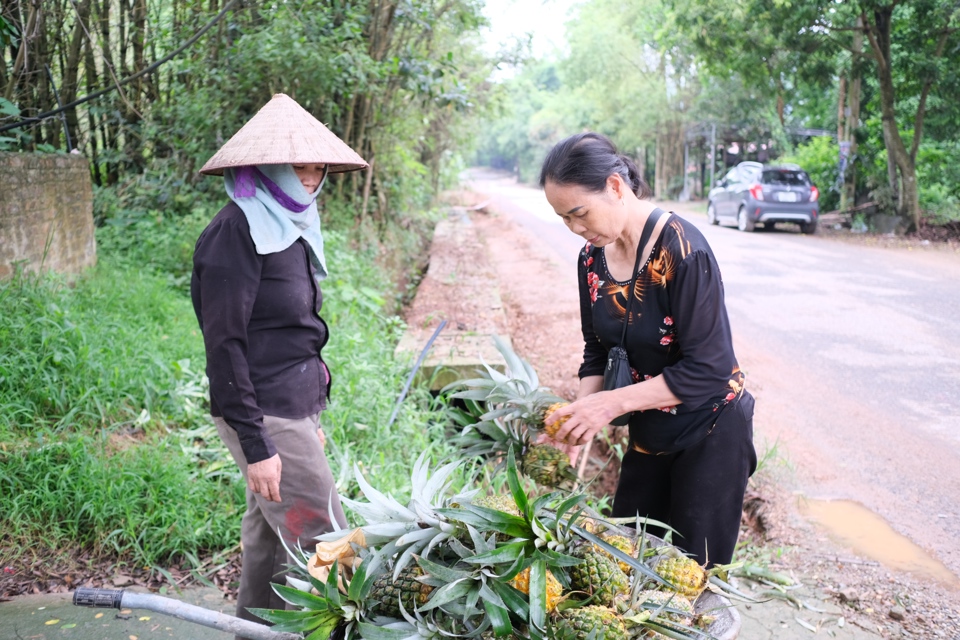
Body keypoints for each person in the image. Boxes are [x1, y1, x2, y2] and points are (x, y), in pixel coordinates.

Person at [191, 94, 368, 633]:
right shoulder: (236, 232)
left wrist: (309, 413)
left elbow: (290, 332)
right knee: (328, 538)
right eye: (299, 165)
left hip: (292, 405)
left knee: (268, 536)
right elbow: (224, 346)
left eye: (318, 166)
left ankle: (255, 629)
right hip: (263, 408)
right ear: (266, 167)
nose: (312, 176)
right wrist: (257, 443)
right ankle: (324, 630)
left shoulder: (289, 225)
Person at [540, 132, 757, 567]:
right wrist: (579, 420)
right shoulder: (591, 259)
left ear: (616, 188)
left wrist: (608, 406)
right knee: (626, 561)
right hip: (649, 432)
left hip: (710, 431)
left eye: (579, 213)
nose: (576, 228)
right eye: (564, 219)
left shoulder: (683, 250)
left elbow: (709, 370)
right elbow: (596, 350)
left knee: (693, 575)